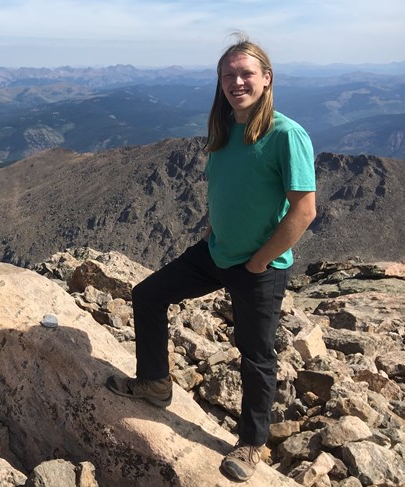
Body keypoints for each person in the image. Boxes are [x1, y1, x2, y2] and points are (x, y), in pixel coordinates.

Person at [106, 33, 317, 482]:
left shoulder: (286, 133)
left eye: (246, 74)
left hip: (259, 266)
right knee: (148, 295)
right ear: (220, 82)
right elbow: (229, 188)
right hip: (216, 251)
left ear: (267, 78)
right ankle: (155, 383)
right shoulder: (225, 131)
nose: (236, 82)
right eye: (228, 75)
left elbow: (304, 209)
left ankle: (253, 442)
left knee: (255, 354)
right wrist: (213, 227)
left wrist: (260, 261)